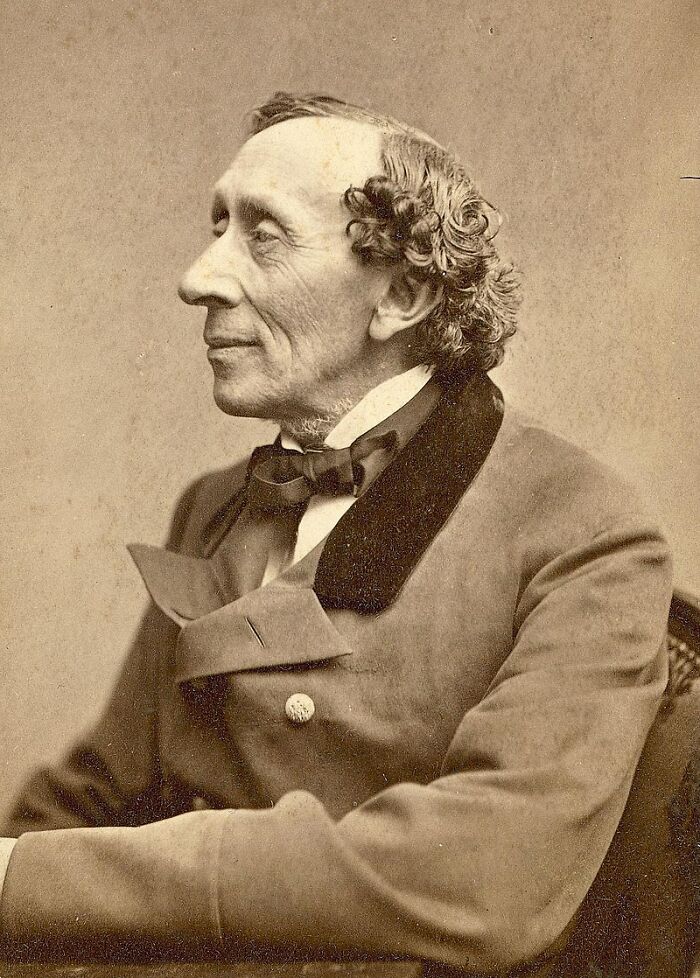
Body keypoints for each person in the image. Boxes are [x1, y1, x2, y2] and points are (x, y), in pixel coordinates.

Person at [0, 93, 672, 975]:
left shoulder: (584, 529)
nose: (197, 278)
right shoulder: (217, 505)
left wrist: (30, 878)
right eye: (216, 225)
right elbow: (93, 797)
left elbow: (482, 880)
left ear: (400, 292)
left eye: (262, 235)